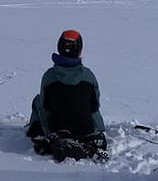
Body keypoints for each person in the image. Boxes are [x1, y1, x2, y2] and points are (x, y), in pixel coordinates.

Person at [26, 29, 105, 158]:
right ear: (79, 49)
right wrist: (99, 129)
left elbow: (46, 106)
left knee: (38, 100)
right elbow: (94, 107)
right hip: (86, 129)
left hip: (58, 129)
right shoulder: (89, 76)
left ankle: (35, 131)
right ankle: (89, 140)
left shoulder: (49, 76)